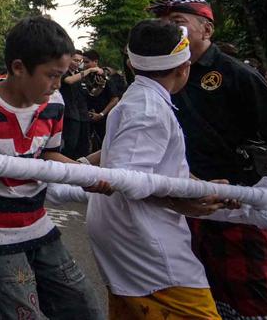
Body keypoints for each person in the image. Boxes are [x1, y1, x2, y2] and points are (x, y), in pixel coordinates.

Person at [149, 0, 267, 320]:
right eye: (163, 25)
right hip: (182, 202)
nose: (168, 31)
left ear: (206, 30)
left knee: (251, 299)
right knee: (190, 298)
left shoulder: (235, 74)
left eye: (177, 24)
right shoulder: (158, 75)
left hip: (238, 202)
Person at [0, 16, 108, 320]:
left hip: (38, 224)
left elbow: (50, 157)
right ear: (19, 68)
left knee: (84, 307)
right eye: (51, 75)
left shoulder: (54, 104)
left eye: (62, 75)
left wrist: (87, 176)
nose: (58, 84)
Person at [87, 20, 222, 319]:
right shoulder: (148, 110)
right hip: (143, 238)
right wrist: (184, 201)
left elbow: (154, 166)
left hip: (127, 231)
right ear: (184, 67)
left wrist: (201, 186)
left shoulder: (142, 101)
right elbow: (127, 180)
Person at [59, 51, 99, 159]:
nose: (78, 63)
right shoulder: (64, 72)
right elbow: (69, 81)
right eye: (75, 60)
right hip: (69, 115)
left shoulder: (80, 75)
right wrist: (89, 70)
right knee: (69, 146)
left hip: (82, 115)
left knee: (83, 147)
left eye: (79, 61)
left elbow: (90, 93)